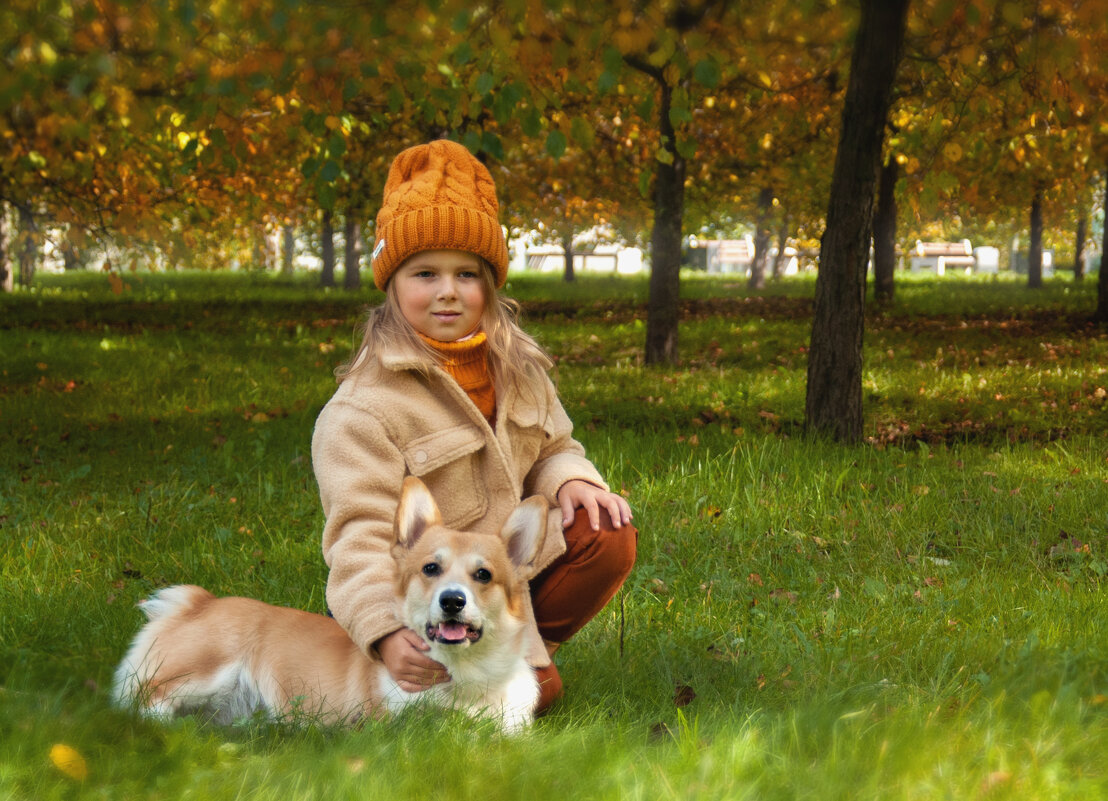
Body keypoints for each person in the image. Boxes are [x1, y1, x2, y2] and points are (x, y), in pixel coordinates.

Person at [311, 139, 637, 713]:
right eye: (425, 273)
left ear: (490, 284)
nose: (447, 291)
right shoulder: (362, 409)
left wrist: (570, 480)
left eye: (467, 273)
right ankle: (461, 658)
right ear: (391, 284)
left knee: (604, 527)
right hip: (428, 589)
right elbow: (357, 539)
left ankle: (515, 651)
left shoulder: (517, 370)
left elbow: (553, 447)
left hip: (497, 575)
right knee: (537, 704)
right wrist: (386, 634)